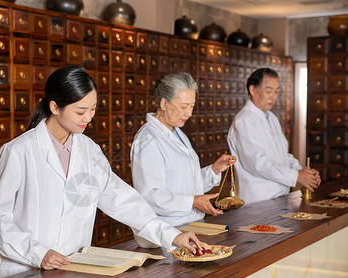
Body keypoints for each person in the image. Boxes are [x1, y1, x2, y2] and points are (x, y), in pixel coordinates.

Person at [0, 65, 202, 278]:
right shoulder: (18, 152)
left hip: (69, 272)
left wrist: (171, 235)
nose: (89, 117)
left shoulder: (89, 151)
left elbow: (122, 200)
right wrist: (38, 253)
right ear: (55, 107)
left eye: (93, 109)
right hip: (20, 274)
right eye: (80, 111)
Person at [130, 72, 235, 236]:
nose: (189, 113)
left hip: (190, 226)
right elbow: (151, 195)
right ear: (164, 103)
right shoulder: (148, 141)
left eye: (192, 106)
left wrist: (214, 169)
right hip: (168, 230)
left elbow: (185, 182)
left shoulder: (177, 133)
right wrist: (193, 202)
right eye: (184, 106)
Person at [227, 67, 321, 204]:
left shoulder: (271, 118)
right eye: (269, 91)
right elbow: (257, 163)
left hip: (279, 198)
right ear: (252, 90)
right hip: (257, 202)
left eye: (277, 91)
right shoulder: (244, 121)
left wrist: (303, 172)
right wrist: (296, 176)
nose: (273, 96)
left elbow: (283, 156)